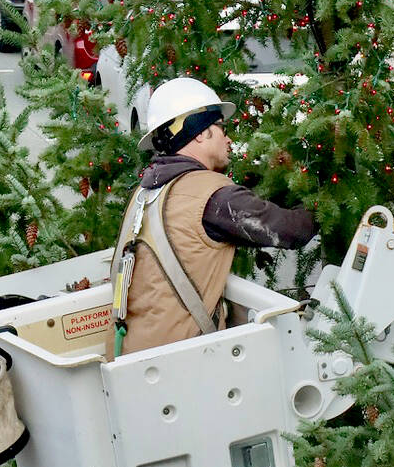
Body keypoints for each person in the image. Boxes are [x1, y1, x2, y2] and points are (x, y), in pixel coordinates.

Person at [107, 77, 316, 358]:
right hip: (180, 364)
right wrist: (322, 197)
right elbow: (291, 231)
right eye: (220, 128)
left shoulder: (145, 193)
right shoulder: (212, 196)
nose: (228, 138)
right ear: (200, 133)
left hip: (129, 356)